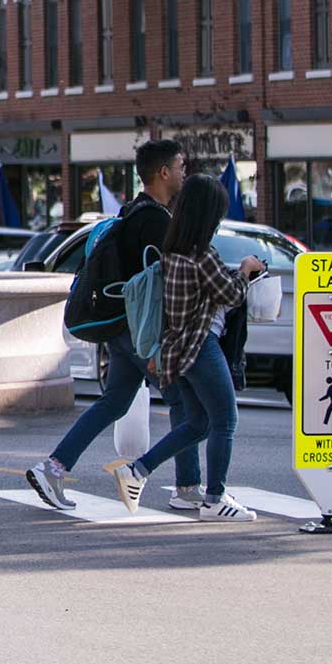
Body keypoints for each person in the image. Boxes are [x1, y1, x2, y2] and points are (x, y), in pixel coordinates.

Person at [26, 140, 204, 511]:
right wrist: (159, 346)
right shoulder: (155, 221)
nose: (184, 173)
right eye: (181, 166)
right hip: (140, 333)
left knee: (114, 401)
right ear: (163, 173)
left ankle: (53, 467)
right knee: (185, 403)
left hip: (120, 328)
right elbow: (160, 289)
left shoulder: (131, 212)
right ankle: (186, 488)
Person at [105, 174, 264, 522]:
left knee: (197, 423)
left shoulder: (174, 251)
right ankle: (215, 498)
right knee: (225, 419)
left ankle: (137, 471)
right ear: (208, 216)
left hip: (178, 350)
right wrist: (247, 269)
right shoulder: (201, 255)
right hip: (200, 346)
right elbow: (232, 294)